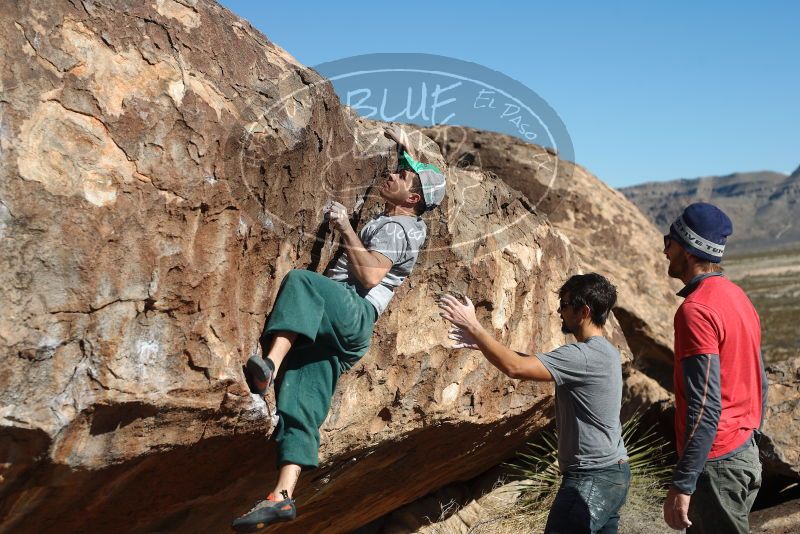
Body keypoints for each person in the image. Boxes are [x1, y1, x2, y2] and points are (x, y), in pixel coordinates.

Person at [232, 125, 446, 532]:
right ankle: (283, 496)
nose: (394, 174)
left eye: (402, 177)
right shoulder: (411, 218)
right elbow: (413, 172)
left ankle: (270, 366)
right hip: (345, 332)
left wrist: (344, 225)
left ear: (413, 198)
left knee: (302, 282)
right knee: (302, 400)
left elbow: (368, 277)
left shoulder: (397, 228)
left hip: (353, 313)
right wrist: (405, 147)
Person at [439, 273, 630, 534]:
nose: (560, 312)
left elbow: (516, 368)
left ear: (583, 311)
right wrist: (483, 345)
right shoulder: (605, 351)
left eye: (564, 305)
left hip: (591, 479)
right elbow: (532, 362)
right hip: (614, 474)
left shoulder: (582, 356)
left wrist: (473, 326)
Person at [660, 202, 767, 533]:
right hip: (742, 450)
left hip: (717, 462)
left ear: (689, 251)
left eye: (670, 240)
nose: (665, 249)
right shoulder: (737, 297)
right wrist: (750, 433)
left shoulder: (696, 310)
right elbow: (760, 380)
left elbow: (704, 404)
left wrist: (684, 481)